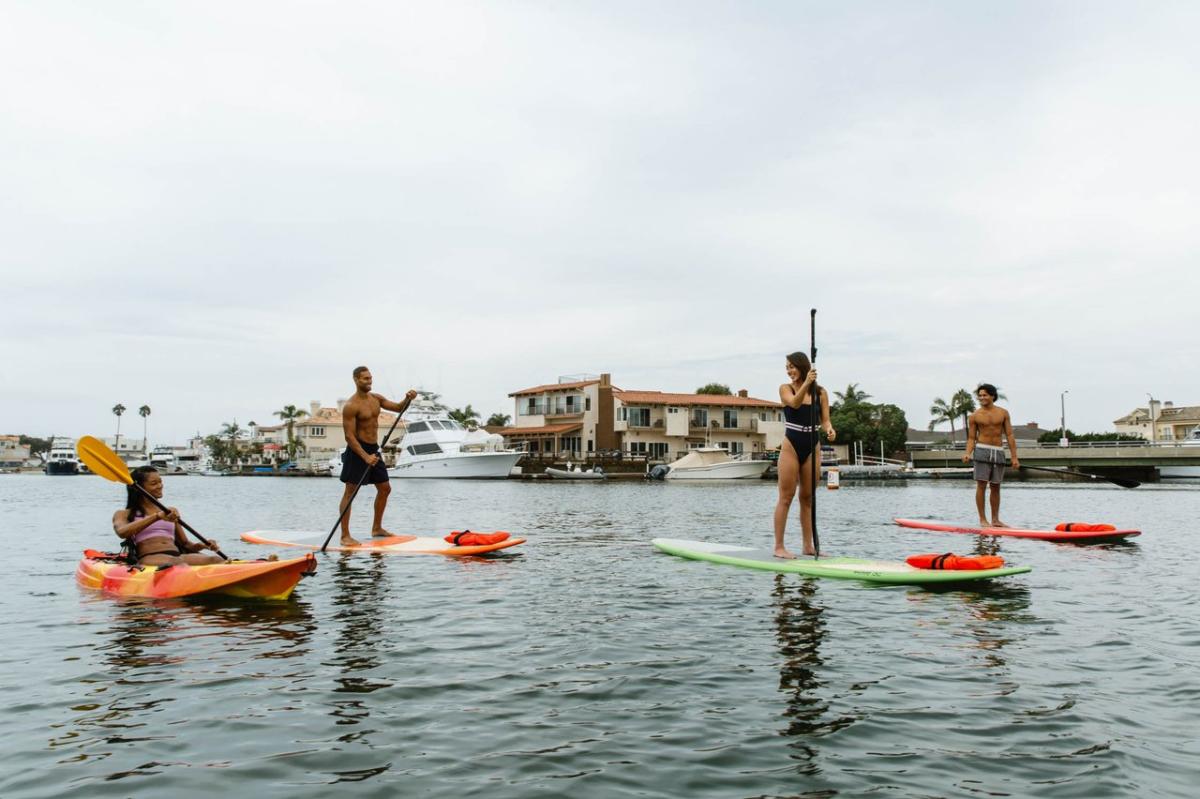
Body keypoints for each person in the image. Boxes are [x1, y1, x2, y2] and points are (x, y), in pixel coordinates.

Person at [339, 365, 417, 546]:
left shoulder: (376, 399)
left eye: (370, 378)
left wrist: (408, 398)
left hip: (374, 448)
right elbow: (349, 436)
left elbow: (399, 408)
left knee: (385, 488)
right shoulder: (351, 406)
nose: (369, 381)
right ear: (356, 380)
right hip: (357, 451)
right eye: (365, 379)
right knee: (350, 492)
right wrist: (365, 456)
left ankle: (377, 528)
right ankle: (345, 536)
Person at [774, 352, 836, 559]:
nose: (789, 371)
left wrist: (829, 429)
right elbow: (794, 404)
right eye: (787, 367)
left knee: (808, 498)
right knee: (786, 497)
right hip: (791, 444)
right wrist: (805, 383)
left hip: (812, 444)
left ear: (802, 366)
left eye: (792, 367)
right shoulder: (786, 388)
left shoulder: (820, 392)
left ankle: (808, 546)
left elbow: (825, 419)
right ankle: (779, 547)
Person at [112, 466, 223, 565]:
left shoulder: (170, 512)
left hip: (176, 556)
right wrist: (157, 516)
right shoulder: (123, 514)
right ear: (139, 488)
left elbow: (185, 544)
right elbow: (122, 532)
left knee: (216, 560)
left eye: (160, 482)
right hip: (149, 557)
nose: (160, 486)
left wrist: (203, 545)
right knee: (175, 562)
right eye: (154, 483)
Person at [962, 383, 1020, 527]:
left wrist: (1014, 457)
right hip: (982, 450)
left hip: (999, 451)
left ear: (992, 396)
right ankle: (983, 520)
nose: (982, 398)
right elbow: (971, 438)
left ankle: (995, 520)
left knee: (996, 486)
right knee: (981, 485)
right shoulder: (975, 416)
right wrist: (968, 453)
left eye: (985, 395)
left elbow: (1010, 435)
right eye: (980, 395)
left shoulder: (1003, 413)